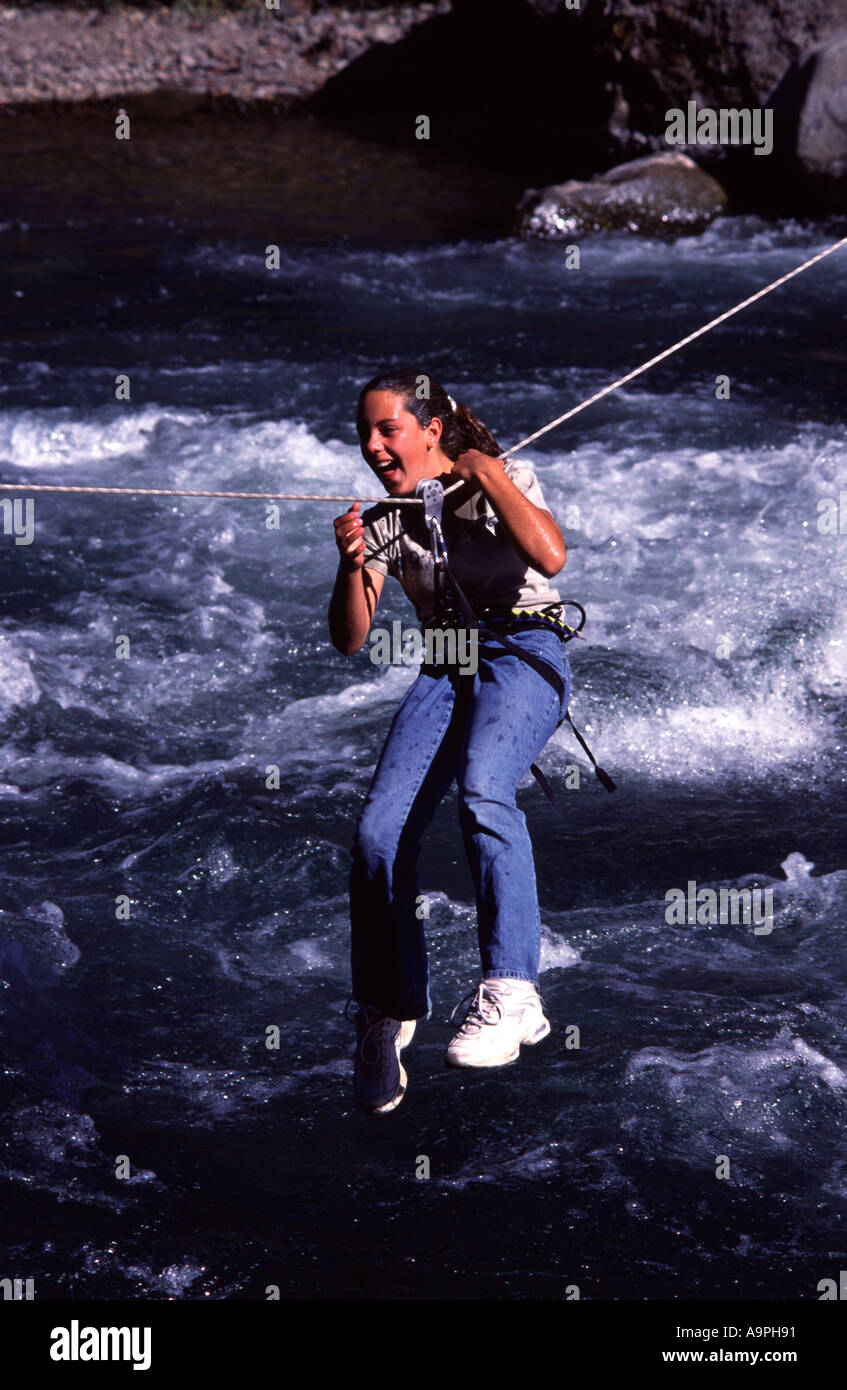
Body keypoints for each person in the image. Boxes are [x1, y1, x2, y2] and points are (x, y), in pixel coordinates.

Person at [328, 367, 571, 1114]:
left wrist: (490, 476)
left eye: (387, 429)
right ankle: (386, 1013)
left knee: (484, 789)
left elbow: (551, 556)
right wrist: (350, 562)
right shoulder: (384, 524)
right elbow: (350, 639)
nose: (372, 446)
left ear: (430, 430)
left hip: (525, 648)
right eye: (364, 433)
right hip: (449, 661)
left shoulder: (507, 473)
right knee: (375, 834)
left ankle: (512, 991)